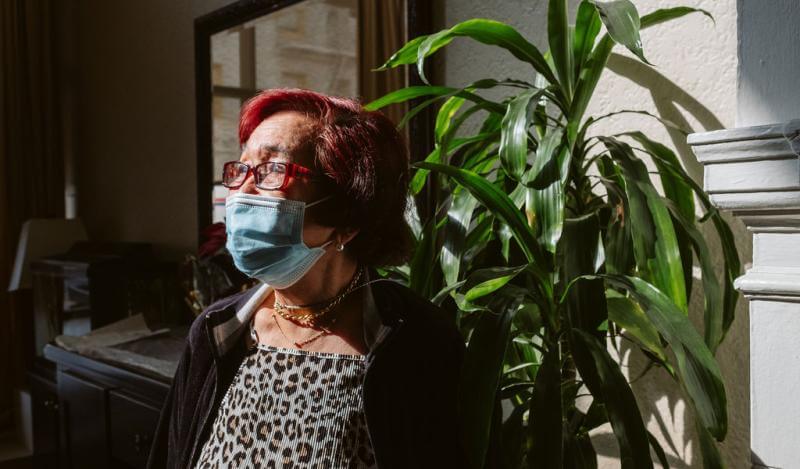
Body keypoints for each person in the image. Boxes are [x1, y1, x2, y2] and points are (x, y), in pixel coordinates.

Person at [146, 88, 466, 469]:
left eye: (272, 170)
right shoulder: (217, 332)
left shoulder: (417, 342)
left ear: (348, 215)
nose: (241, 192)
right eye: (241, 168)